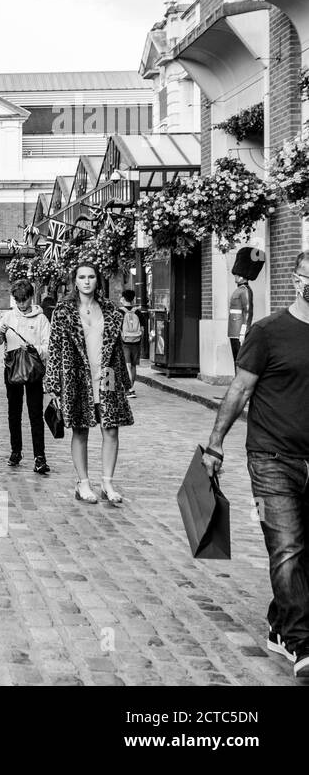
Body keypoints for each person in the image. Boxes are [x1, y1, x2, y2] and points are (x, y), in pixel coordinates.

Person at [202, 249, 309, 679]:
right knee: (286, 546)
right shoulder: (268, 332)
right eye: (307, 275)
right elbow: (240, 391)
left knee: (302, 550)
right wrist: (215, 444)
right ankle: (302, 642)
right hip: (270, 456)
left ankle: (281, 623)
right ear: (296, 278)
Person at [43, 262, 133, 505]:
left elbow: (116, 349)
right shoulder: (63, 311)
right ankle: (83, 483)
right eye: (81, 277)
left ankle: (107, 482)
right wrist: (53, 383)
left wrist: (124, 379)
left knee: (111, 429)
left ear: (97, 280)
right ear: (75, 281)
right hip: (76, 376)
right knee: (80, 429)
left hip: (106, 375)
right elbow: (54, 348)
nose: (86, 281)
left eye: (91, 276)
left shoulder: (111, 310)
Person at [0, 279, 52, 474]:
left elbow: (49, 346)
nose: (22, 304)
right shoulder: (8, 317)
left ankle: (39, 456)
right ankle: (15, 451)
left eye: (24, 300)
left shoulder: (41, 319)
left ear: (30, 298)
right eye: (18, 300)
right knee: (13, 413)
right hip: (13, 368)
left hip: (33, 369)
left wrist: (35, 349)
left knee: (35, 414)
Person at [119, 289, 145, 397]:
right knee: (133, 366)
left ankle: (129, 389)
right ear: (133, 299)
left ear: (123, 298)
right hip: (136, 341)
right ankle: (131, 387)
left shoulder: (119, 312)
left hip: (124, 341)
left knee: (127, 365)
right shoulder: (138, 312)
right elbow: (143, 328)